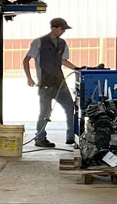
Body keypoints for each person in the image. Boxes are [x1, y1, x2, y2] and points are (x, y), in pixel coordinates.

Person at [23, 17, 82, 148]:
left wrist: (78, 69)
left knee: (71, 108)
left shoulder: (62, 44)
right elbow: (26, 60)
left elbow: (64, 61)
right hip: (45, 85)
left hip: (60, 83)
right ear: (54, 28)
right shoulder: (39, 42)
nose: (63, 32)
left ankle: (71, 137)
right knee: (45, 112)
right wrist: (29, 78)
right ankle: (40, 139)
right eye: (62, 29)